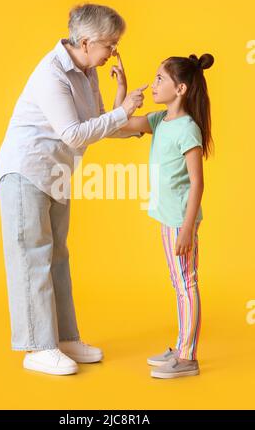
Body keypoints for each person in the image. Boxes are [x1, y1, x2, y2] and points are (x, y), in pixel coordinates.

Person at [0, 3, 148, 376]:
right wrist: (124, 111)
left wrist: (122, 95)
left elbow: (99, 125)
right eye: (110, 43)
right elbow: (74, 134)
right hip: (26, 171)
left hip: (55, 174)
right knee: (33, 256)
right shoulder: (52, 73)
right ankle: (38, 347)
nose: (114, 51)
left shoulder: (87, 71)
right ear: (87, 40)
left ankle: (64, 338)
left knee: (57, 255)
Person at [119, 53, 214, 379]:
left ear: (181, 89)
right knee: (179, 284)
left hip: (180, 221)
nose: (155, 82)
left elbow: (198, 183)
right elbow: (122, 123)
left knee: (186, 283)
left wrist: (187, 229)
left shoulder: (188, 129)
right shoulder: (161, 120)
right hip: (168, 217)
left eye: (161, 78)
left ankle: (188, 358)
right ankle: (181, 346)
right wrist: (123, 89)